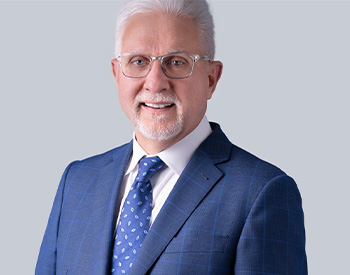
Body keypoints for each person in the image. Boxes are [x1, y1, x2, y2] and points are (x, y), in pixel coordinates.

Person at [36, 0, 307, 274]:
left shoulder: (262, 192)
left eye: (177, 62)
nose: (155, 83)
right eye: (138, 61)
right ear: (117, 74)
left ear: (211, 78)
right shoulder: (77, 181)